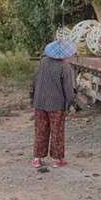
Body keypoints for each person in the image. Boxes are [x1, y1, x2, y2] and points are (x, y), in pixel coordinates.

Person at [30, 39, 76, 169]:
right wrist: (71, 103)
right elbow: (68, 89)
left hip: (39, 102)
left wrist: (32, 97)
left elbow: (35, 81)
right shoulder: (65, 67)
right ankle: (57, 160)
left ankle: (37, 159)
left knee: (40, 130)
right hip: (56, 104)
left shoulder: (43, 62)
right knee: (57, 132)